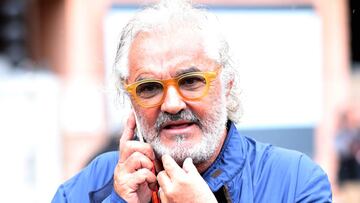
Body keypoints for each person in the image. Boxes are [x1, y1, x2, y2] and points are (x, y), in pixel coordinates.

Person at [52, 0, 332, 202]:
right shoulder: (91, 187)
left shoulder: (295, 181)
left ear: (226, 85)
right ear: (130, 100)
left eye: (190, 81)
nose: (172, 104)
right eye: (149, 87)